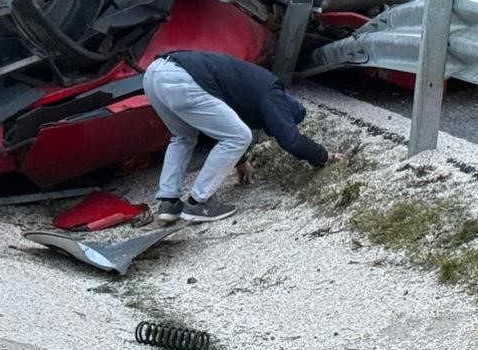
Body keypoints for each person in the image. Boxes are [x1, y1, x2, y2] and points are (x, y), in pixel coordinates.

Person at [142, 49, 342, 223]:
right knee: (239, 136)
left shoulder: (252, 89)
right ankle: (196, 204)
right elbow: (291, 140)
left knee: (183, 138)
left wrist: (241, 161)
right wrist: (323, 156)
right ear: (286, 109)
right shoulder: (272, 93)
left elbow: (219, 125)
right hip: (182, 78)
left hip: (155, 74)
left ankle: (168, 203)